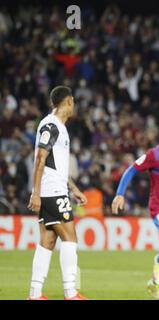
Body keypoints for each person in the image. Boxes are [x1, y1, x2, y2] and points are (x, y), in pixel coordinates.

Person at [111, 115, 159, 300]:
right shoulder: (155, 154)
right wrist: (120, 193)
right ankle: (158, 261)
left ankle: (155, 285)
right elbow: (132, 169)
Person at [27, 86, 88, 300]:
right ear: (69, 101)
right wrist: (36, 192)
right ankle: (71, 293)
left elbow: (56, 164)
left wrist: (74, 188)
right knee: (70, 238)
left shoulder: (60, 127)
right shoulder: (51, 125)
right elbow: (40, 158)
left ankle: (35, 294)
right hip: (51, 191)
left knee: (48, 240)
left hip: (56, 188)